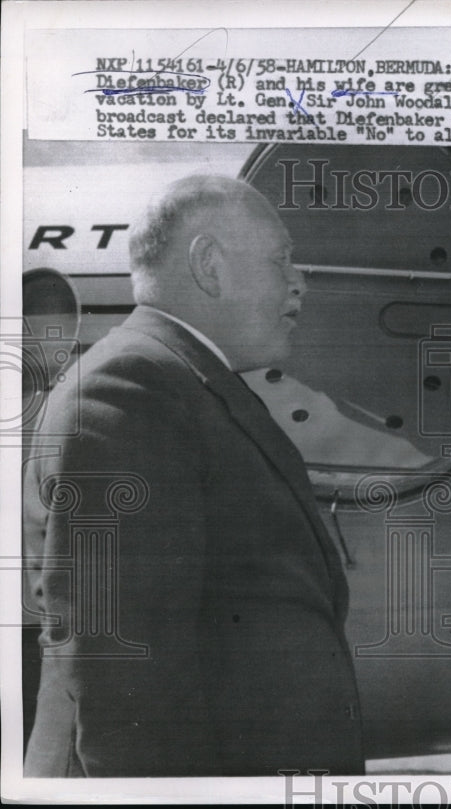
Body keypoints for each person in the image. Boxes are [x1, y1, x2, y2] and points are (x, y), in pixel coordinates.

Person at [22, 176, 364, 776]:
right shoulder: (131, 389)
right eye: (281, 260)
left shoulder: (183, 379)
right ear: (210, 265)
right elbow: (122, 674)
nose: (299, 281)